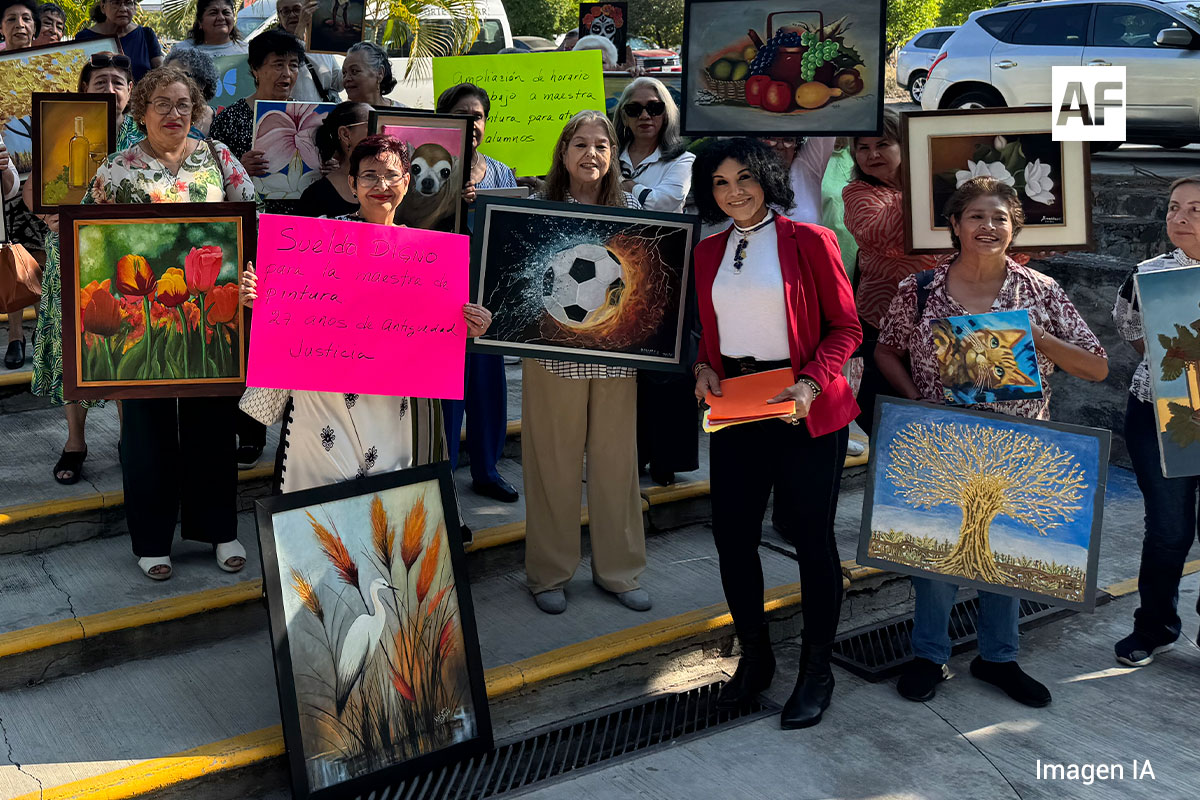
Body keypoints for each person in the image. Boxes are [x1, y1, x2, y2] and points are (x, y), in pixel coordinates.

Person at [874, 176, 1108, 707]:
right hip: (942, 440)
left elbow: (1096, 366)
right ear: (954, 225)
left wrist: (1033, 335)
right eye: (976, 216)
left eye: (1000, 218)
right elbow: (886, 350)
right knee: (936, 555)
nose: (988, 226)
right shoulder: (921, 289)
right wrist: (916, 398)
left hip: (1018, 442)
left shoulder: (1039, 290)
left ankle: (998, 658)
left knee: (1004, 552)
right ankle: (929, 655)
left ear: (1014, 229)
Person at [691, 138, 860, 729]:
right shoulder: (707, 251)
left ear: (765, 177)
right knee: (732, 537)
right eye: (719, 182)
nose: (734, 191)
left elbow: (846, 327)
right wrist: (702, 367)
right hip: (738, 409)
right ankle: (756, 660)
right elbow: (708, 331)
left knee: (812, 540)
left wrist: (811, 382)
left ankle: (817, 671)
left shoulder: (811, 240)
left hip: (803, 406)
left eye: (743, 178)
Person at [238, 134, 492, 493]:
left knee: (385, 502)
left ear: (407, 182)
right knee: (318, 498)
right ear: (353, 183)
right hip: (323, 398)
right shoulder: (319, 237)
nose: (381, 185)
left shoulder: (429, 254)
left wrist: (470, 325)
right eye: (370, 175)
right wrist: (260, 299)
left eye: (391, 175)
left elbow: (437, 328)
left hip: (394, 401)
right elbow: (289, 304)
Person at [85, 65, 255, 580]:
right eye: (162, 104)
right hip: (144, 319)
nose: (174, 113)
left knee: (213, 427)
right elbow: (90, 238)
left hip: (207, 320)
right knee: (146, 433)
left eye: (184, 104)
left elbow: (251, 219)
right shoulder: (116, 169)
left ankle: (219, 529)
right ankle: (152, 539)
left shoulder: (218, 158)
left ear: (196, 109)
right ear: (141, 111)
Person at [513, 110, 650, 616]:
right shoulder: (539, 208)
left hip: (616, 358)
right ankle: (549, 573)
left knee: (617, 465)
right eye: (580, 144)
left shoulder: (633, 209)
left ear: (613, 154)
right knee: (552, 463)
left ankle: (620, 571)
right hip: (553, 358)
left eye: (601, 145)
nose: (590, 154)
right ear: (563, 153)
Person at [23, 51, 140, 485]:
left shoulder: (144, 135)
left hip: (123, 252)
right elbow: (34, 188)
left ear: (130, 91)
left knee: (125, 341)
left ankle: (131, 440)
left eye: (117, 82)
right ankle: (75, 442)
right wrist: (47, 214)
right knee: (70, 345)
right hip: (69, 251)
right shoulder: (64, 126)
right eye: (99, 82)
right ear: (84, 90)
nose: (109, 89)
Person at [1111, 175, 1200, 667]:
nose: (1179, 218)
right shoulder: (1148, 273)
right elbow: (1128, 325)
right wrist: (1170, 372)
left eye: (1195, 209)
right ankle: (1154, 626)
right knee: (1167, 528)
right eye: (1173, 207)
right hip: (1160, 414)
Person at [209, 28, 304, 467]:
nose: (286, 73)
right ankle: (247, 428)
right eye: (276, 64)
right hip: (248, 240)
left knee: (289, 335)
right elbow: (212, 176)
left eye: (293, 65)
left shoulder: (312, 116)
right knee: (247, 333)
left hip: (298, 241)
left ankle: (289, 430)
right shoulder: (229, 119)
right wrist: (238, 165)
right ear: (254, 69)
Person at [611, 76, 698, 486]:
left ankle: (667, 459)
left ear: (667, 112)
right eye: (635, 108)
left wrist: (628, 187)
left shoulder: (682, 158)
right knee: (626, 365)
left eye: (654, 107)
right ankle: (632, 454)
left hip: (667, 268)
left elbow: (668, 202)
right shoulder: (608, 153)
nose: (645, 115)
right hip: (615, 266)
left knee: (667, 366)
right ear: (623, 116)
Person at [435, 82, 520, 503]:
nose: (471, 124)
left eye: (478, 117)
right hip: (439, 293)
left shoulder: (502, 173)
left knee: (487, 385)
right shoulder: (426, 167)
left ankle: (487, 470)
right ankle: (443, 472)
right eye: (461, 116)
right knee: (446, 386)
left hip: (486, 295)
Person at [841, 109, 940, 434]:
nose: (872, 154)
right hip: (883, 327)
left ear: (904, 144)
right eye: (863, 147)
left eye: (883, 144)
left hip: (947, 327)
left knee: (949, 424)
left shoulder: (944, 188)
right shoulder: (858, 193)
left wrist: (1035, 244)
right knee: (889, 425)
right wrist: (918, 183)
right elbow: (879, 237)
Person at [1, 0, 41, 368]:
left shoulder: (54, 67)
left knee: (45, 256)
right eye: (11, 18)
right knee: (13, 258)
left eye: (26, 18)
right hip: (6, 184)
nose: (20, 24)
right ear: (1, 27)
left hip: (47, 181)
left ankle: (46, 331)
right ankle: (16, 336)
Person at [295, 100, 368, 219]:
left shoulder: (392, 187)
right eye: (373, 123)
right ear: (345, 134)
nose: (382, 131)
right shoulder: (316, 196)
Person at [74, 0, 163, 81]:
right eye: (116, 3)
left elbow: (161, 74)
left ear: (135, 8)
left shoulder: (146, 35)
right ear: (103, 7)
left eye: (128, 3)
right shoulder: (84, 38)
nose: (123, 9)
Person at [276, 0, 342, 103]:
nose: (292, 15)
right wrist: (301, 26)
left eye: (297, 10)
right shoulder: (272, 44)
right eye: (286, 11)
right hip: (291, 111)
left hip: (322, 111)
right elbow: (291, 59)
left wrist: (351, 54)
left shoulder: (320, 43)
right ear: (279, 17)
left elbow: (337, 83)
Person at [162, 45, 218, 137]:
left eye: (182, 76)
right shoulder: (157, 117)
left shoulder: (222, 119)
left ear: (201, 83)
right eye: (167, 75)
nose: (172, 81)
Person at [169, 0, 248, 57]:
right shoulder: (181, 52)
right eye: (213, 13)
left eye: (226, 12)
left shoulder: (246, 52)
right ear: (200, 22)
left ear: (233, 18)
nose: (221, 18)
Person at [343, 41, 398, 106]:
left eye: (354, 71)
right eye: (344, 73)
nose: (347, 78)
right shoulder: (339, 111)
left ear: (380, 73)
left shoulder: (401, 110)